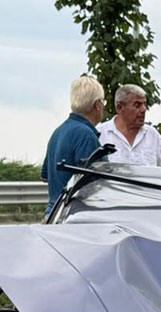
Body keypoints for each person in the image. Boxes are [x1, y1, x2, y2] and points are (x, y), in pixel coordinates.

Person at [42, 76, 105, 217]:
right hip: (75, 217)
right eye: (103, 101)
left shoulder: (58, 132)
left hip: (54, 213)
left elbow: (45, 177)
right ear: (97, 105)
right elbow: (95, 185)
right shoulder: (86, 136)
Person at [97, 84, 161, 167]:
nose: (143, 109)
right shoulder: (100, 134)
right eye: (137, 105)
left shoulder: (153, 136)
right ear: (120, 107)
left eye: (144, 104)